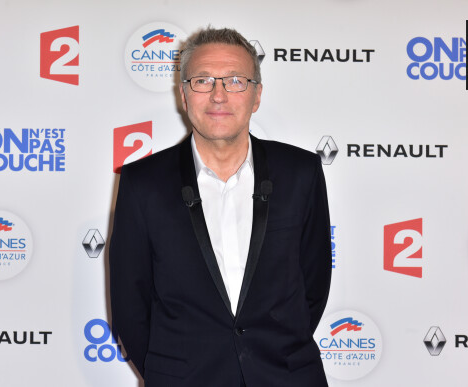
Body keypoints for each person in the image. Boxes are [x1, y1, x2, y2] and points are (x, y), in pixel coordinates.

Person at [110, 27, 332, 387]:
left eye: (234, 81)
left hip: (287, 376)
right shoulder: (142, 183)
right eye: (202, 80)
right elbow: (130, 305)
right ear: (183, 95)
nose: (218, 95)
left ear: (256, 95)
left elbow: (314, 284)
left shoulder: (300, 172)